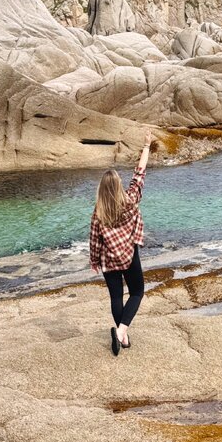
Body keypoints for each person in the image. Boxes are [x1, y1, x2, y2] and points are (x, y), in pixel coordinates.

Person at [89, 130, 152, 356]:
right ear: (118, 186)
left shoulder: (98, 212)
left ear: (101, 189)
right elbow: (139, 174)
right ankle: (121, 332)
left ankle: (122, 337)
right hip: (129, 254)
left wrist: (94, 261)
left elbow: (94, 239)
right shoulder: (130, 201)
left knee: (116, 297)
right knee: (137, 292)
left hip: (108, 260)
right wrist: (147, 146)